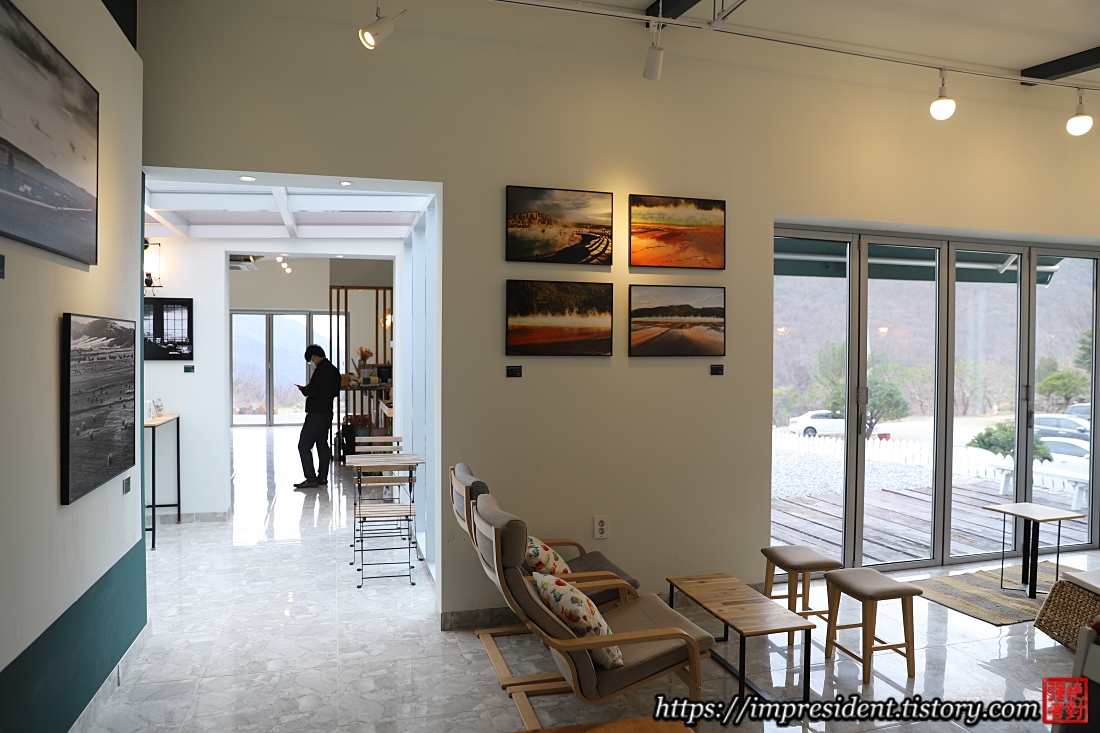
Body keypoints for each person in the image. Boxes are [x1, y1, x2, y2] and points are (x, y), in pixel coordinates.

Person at [294, 344, 341, 489]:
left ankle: (311, 478)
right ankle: (322, 477)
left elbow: (312, 391)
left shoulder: (320, 371)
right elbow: (335, 392)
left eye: (310, 361)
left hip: (316, 414)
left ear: (314, 357)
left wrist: (304, 390)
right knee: (322, 444)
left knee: (303, 445)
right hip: (327, 412)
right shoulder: (334, 370)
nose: (311, 364)